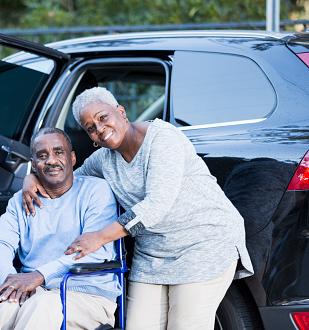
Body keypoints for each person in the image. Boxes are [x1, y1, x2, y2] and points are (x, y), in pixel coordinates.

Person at [22, 87, 254, 330]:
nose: (99, 129)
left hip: (202, 242)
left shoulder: (162, 138)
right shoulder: (103, 159)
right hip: (153, 254)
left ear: (121, 112)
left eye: (103, 117)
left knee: (185, 325)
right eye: (90, 127)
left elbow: (156, 206)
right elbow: (68, 181)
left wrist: (99, 237)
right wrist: (33, 179)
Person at [0, 127, 121, 330]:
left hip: (88, 296)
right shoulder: (19, 201)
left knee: (41, 305)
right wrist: (11, 283)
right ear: (34, 166)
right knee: (5, 309)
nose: (51, 161)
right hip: (38, 292)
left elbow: (93, 252)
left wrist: (38, 276)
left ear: (72, 158)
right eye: (42, 156)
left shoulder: (96, 191)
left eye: (58, 152)